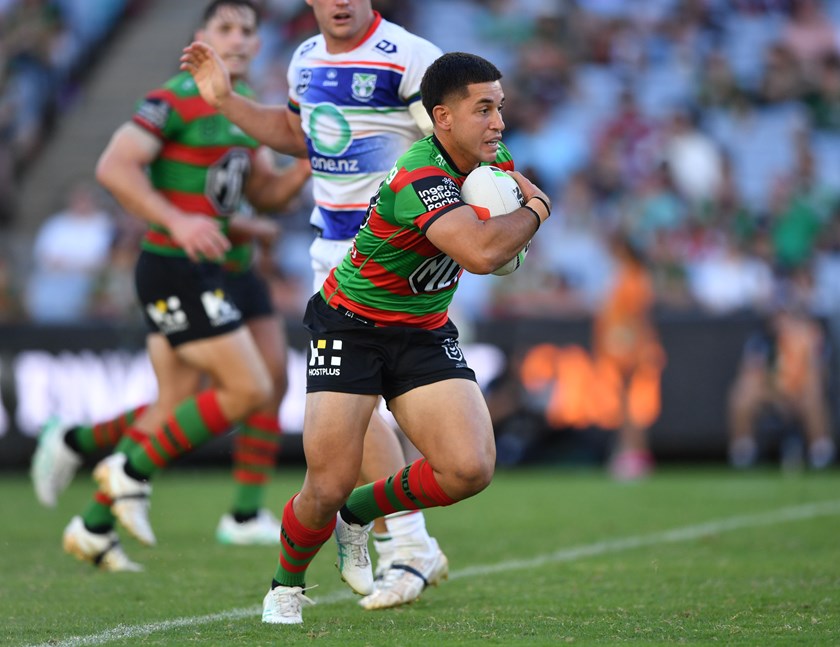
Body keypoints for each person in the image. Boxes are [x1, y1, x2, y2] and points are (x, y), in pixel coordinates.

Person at [256, 50, 550, 624]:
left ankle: (359, 515)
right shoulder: (422, 175)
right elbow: (483, 252)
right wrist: (537, 210)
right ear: (442, 118)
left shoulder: (493, 161)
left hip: (422, 329)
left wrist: (524, 205)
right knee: (327, 482)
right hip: (351, 326)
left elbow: (513, 196)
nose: (498, 123)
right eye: (483, 109)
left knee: (469, 469)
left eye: (501, 108)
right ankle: (285, 587)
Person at [181, 0, 453, 610]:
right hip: (333, 256)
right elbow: (296, 136)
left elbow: (453, 143)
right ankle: (410, 544)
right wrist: (225, 100)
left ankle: (409, 542)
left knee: (383, 407)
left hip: (399, 258)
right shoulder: (304, 59)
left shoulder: (411, 58)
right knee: (361, 410)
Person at [53, 0, 310, 572]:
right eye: (225, 28)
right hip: (175, 266)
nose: (239, 39)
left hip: (223, 267)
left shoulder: (242, 110)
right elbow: (114, 168)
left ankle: (98, 524)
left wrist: (312, 160)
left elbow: (261, 194)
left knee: (236, 388)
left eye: (248, 29)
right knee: (237, 391)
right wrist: (179, 220)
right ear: (201, 38)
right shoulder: (173, 97)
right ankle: (121, 467)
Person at [727, 286, 836, 471]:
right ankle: (743, 450)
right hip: (771, 394)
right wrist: (777, 396)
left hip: (801, 394)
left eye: (785, 315)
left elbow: (819, 374)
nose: (781, 321)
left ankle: (820, 449)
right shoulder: (761, 341)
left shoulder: (810, 338)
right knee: (742, 394)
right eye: (778, 316)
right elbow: (751, 374)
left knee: (812, 393)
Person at [593, 235, 665, 480]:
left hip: (632, 348)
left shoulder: (634, 277)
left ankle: (635, 454)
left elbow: (638, 317)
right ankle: (627, 452)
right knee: (624, 404)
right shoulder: (622, 275)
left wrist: (639, 347)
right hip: (618, 348)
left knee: (634, 406)